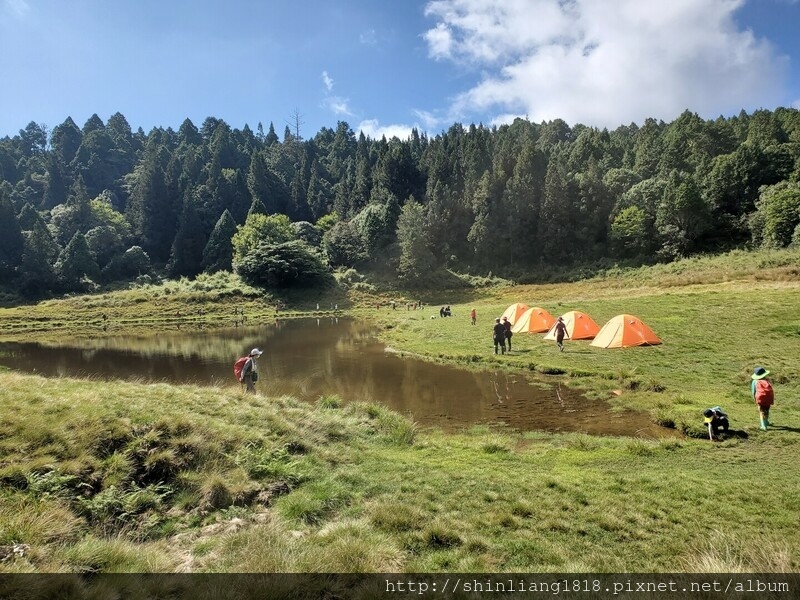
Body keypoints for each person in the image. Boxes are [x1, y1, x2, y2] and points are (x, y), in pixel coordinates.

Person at [751, 366, 775, 430]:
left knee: (761, 412)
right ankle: (766, 421)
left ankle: (763, 426)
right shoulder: (767, 381)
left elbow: (753, 391)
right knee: (767, 410)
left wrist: (755, 399)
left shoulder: (755, 381)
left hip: (760, 399)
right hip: (768, 399)